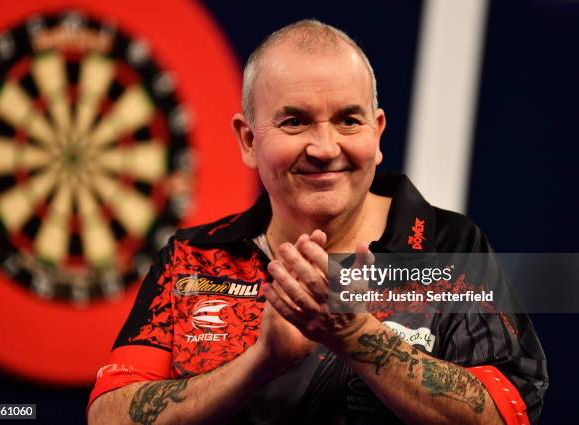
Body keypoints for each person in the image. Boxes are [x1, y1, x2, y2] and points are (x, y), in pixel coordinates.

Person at [87, 19, 547, 425]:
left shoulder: (450, 248)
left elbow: (509, 412)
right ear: (249, 140)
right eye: (295, 122)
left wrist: (353, 334)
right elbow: (109, 414)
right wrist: (260, 363)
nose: (325, 147)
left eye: (349, 120)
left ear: (377, 131)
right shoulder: (192, 258)